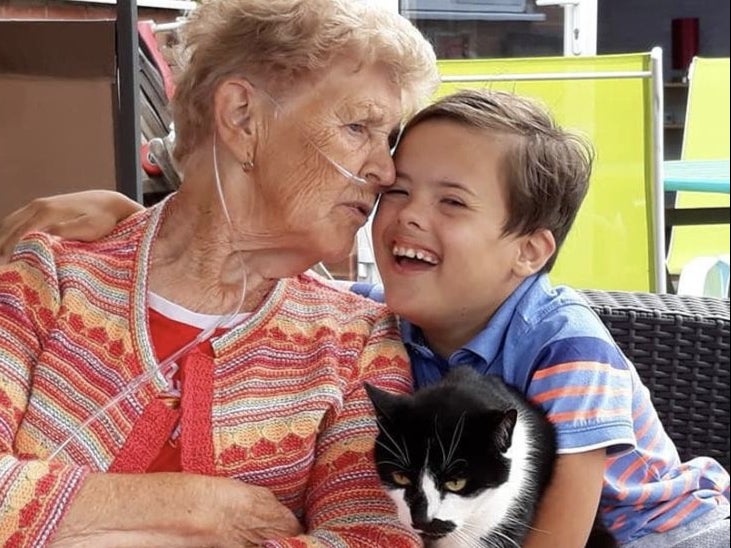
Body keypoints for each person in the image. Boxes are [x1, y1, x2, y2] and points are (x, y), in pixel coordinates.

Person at [11, 89, 730, 548]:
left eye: (451, 203)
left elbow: (561, 530)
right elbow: (252, 270)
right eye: (398, 191)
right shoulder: (376, 319)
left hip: (663, 533)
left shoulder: (568, 348)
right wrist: (131, 218)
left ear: (529, 251)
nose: (408, 215)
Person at [0, 0, 440, 546]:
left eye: (389, 138)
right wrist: (203, 510)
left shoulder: (358, 340)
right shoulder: (51, 277)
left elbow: (375, 537)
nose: (385, 170)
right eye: (359, 127)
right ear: (241, 117)